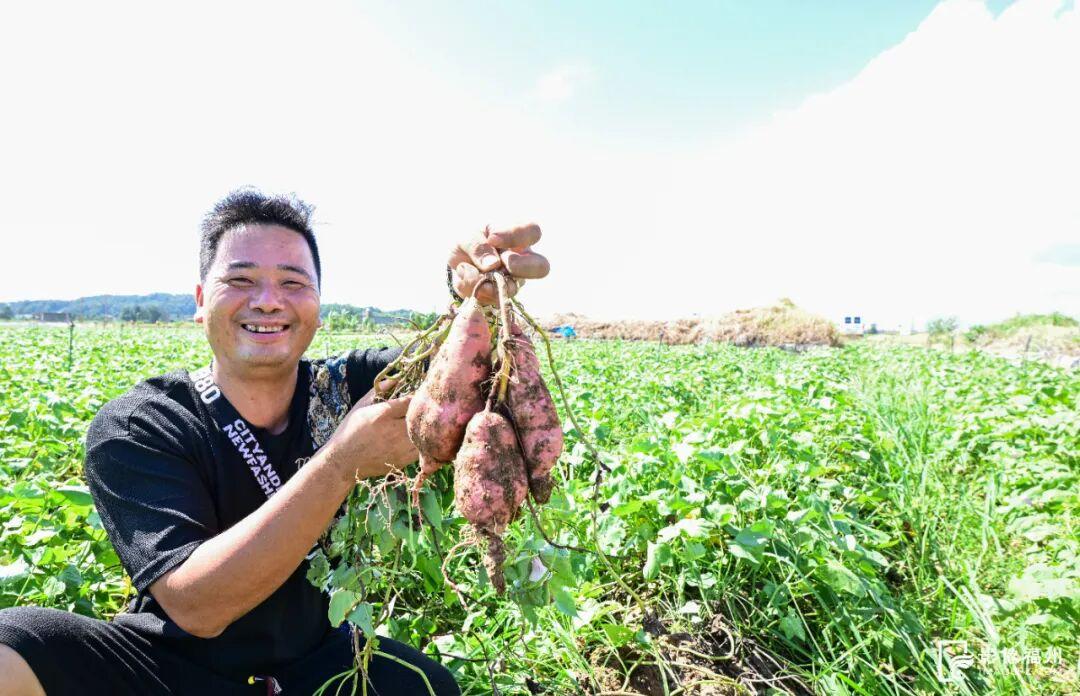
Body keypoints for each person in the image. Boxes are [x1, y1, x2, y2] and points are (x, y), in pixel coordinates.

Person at [0, 190, 550, 695]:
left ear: (317, 305)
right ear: (200, 300)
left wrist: (473, 294)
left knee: (427, 686)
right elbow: (195, 606)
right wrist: (340, 464)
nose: (267, 301)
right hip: (168, 667)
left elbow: (456, 372)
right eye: (241, 280)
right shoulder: (142, 423)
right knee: (12, 645)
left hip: (316, 661)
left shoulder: (353, 386)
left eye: (292, 283)